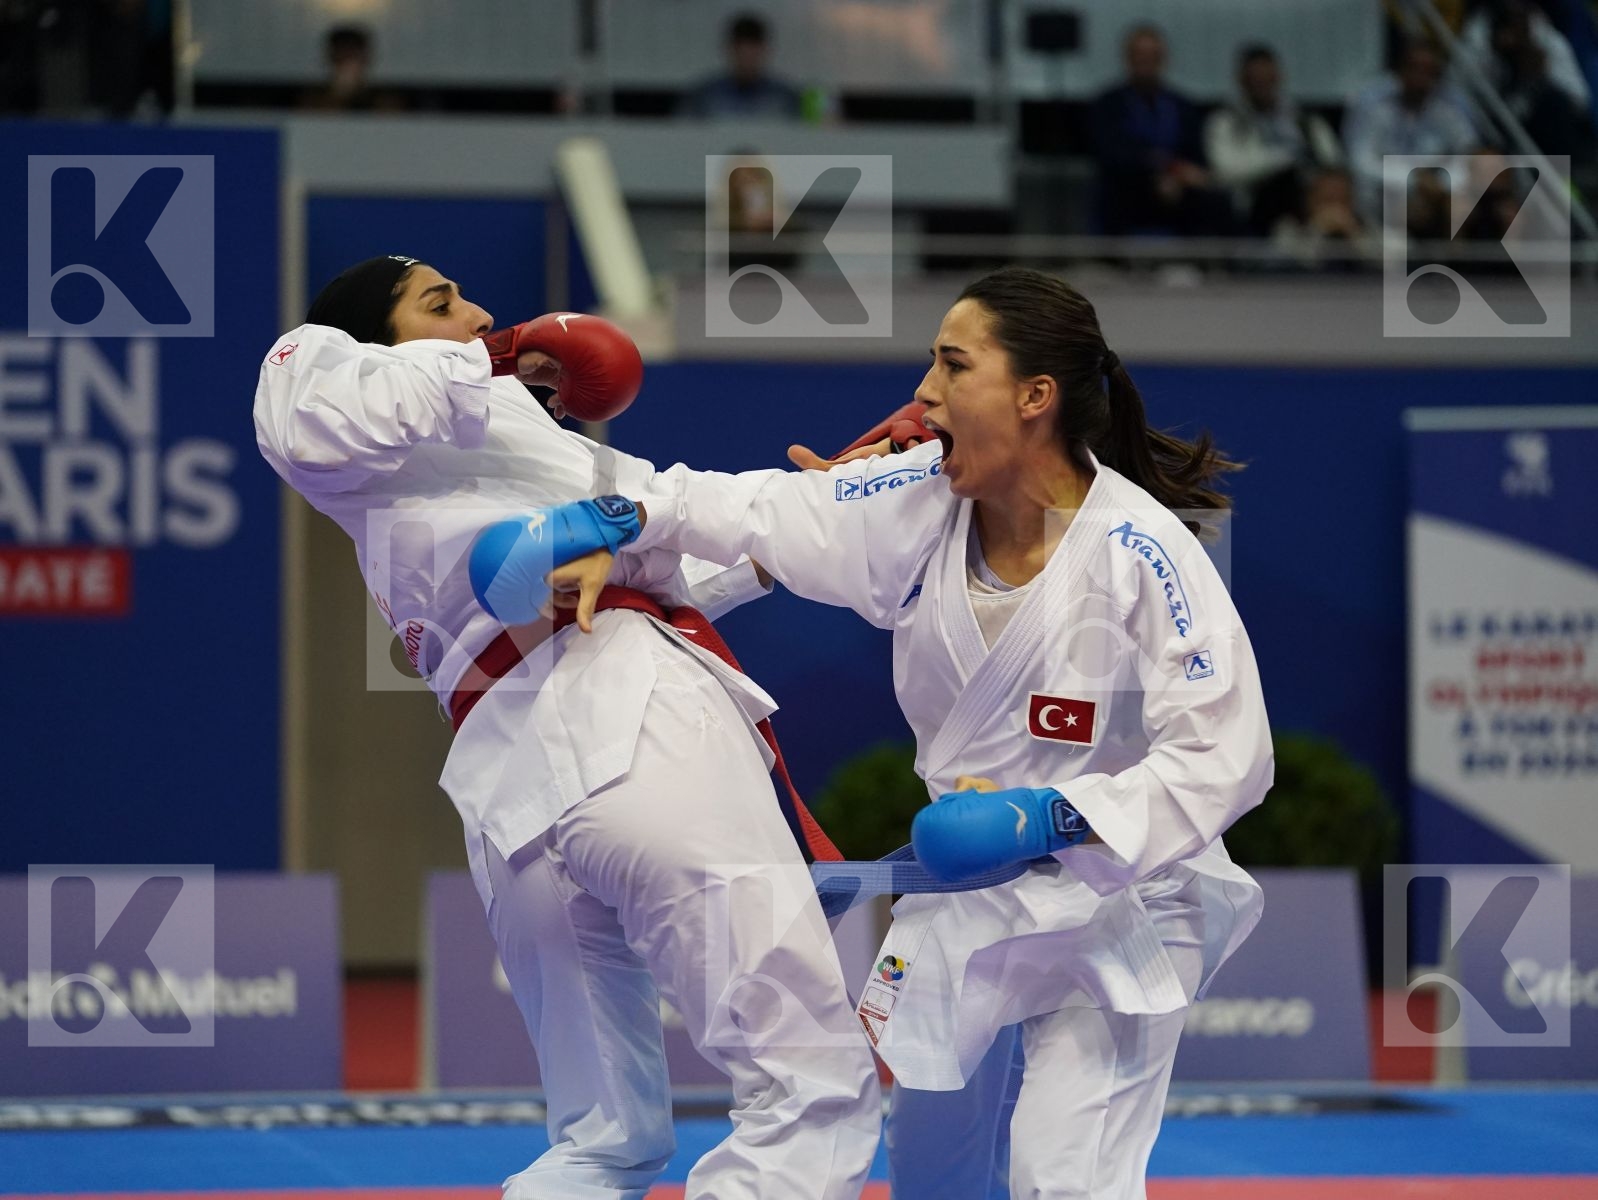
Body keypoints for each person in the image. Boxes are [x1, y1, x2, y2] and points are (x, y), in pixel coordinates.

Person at [542, 266, 1273, 1198]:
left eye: (953, 365)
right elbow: (759, 507)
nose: (924, 391)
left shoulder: (1144, 553)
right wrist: (623, 513)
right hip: (967, 891)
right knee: (934, 1177)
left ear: (1034, 397)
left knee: (1065, 1175)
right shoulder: (920, 493)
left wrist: (1047, 817)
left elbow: (1229, 754)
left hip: (1121, 902)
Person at [252, 255, 881, 1199]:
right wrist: (495, 350)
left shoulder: (544, 449)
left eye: (472, 298)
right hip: (630, 721)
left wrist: (825, 503)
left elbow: (680, 534)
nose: (480, 311)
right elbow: (301, 409)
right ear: (375, 337)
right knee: (810, 1083)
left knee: (604, 1142)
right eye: (442, 302)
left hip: (521, 788)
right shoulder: (326, 382)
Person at [1089, 24, 1235, 237]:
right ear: (1128, 58)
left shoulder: (1183, 106)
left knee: (1215, 197)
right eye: (1140, 55)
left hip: (1180, 193)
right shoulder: (1107, 104)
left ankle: (1217, 264)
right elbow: (1111, 152)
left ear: (1163, 59)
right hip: (1129, 188)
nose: (1146, 62)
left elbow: (1197, 156)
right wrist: (1165, 170)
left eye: (1153, 56)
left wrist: (1178, 176)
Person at [1204, 44, 1343, 235]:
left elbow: (1332, 165)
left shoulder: (1307, 122)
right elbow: (1225, 171)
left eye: (1267, 77)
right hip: (1256, 206)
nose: (1261, 84)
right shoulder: (1225, 122)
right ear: (1242, 80)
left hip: (1309, 203)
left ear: (1278, 77)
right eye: (1255, 79)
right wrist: (1283, 160)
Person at [1344, 39, 1479, 224]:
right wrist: (1412, 180)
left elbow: (1469, 156)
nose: (1421, 77)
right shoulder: (1372, 104)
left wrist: (1442, 185)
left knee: (1462, 199)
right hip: (1384, 191)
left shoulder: (1451, 107)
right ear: (1400, 70)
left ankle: (1455, 251)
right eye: (1414, 68)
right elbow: (1361, 162)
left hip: (1437, 193)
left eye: (1429, 71)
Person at [680, 12, 803, 120]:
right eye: (741, 52)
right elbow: (683, 133)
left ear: (765, 50)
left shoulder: (784, 97)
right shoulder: (704, 96)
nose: (747, 59)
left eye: (752, 52)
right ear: (729, 50)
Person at [298, 24, 407, 113]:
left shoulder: (385, 100)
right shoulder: (312, 100)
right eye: (341, 56)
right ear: (330, 59)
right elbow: (312, 123)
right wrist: (339, 93)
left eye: (353, 56)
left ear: (365, 59)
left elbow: (394, 127)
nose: (347, 63)